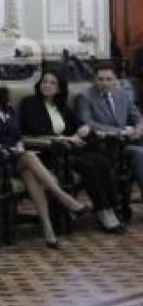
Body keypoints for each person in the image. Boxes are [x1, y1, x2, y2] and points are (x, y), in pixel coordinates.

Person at [0, 69, 89, 248]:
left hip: (15, 159)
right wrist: (10, 149)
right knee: (30, 157)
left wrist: (19, 145)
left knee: (30, 174)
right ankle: (64, 198)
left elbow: (18, 135)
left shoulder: (7, 107)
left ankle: (47, 229)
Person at [20, 69, 124, 232]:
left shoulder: (60, 106)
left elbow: (77, 123)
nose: (47, 85)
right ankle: (103, 212)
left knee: (101, 160)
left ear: (59, 89)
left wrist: (83, 128)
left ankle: (111, 208)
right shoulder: (30, 103)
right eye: (45, 82)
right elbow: (37, 130)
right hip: (48, 153)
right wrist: (68, 139)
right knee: (89, 166)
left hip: (69, 150)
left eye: (52, 83)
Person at [75, 62, 143, 199]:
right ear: (94, 80)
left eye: (109, 79)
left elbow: (137, 116)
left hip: (129, 140)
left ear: (115, 80)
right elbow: (88, 123)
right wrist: (121, 131)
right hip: (105, 145)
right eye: (100, 79)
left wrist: (139, 128)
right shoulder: (85, 97)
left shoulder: (122, 95)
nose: (105, 83)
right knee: (140, 153)